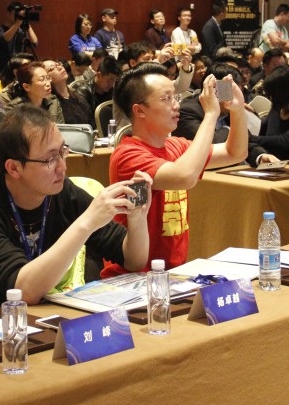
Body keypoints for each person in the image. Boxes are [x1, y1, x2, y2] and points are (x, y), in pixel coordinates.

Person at [0, 106, 151, 307]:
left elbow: (133, 260)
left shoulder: (61, 192)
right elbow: (22, 292)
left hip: (43, 313)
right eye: (50, 159)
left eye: (62, 152)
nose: (62, 166)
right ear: (14, 168)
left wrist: (137, 218)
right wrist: (87, 223)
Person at [105, 63, 247, 275]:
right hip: (133, 278)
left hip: (172, 275)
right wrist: (210, 115)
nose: (176, 105)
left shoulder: (176, 145)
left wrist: (238, 110)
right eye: (166, 98)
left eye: (175, 97)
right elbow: (185, 177)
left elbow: (234, 152)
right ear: (139, 110)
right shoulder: (128, 155)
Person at [44, 60, 92, 126]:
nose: (60, 68)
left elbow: (91, 122)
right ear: (46, 78)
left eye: (58, 64)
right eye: (51, 68)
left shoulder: (79, 96)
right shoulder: (52, 105)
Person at [0, 1, 38, 68]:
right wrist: (17, 23)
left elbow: (34, 43)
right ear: (8, 13)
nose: (18, 16)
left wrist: (27, 22)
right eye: (16, 14)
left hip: (20, 67)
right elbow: (5, 39)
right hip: (4, 67)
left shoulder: (22, 31)